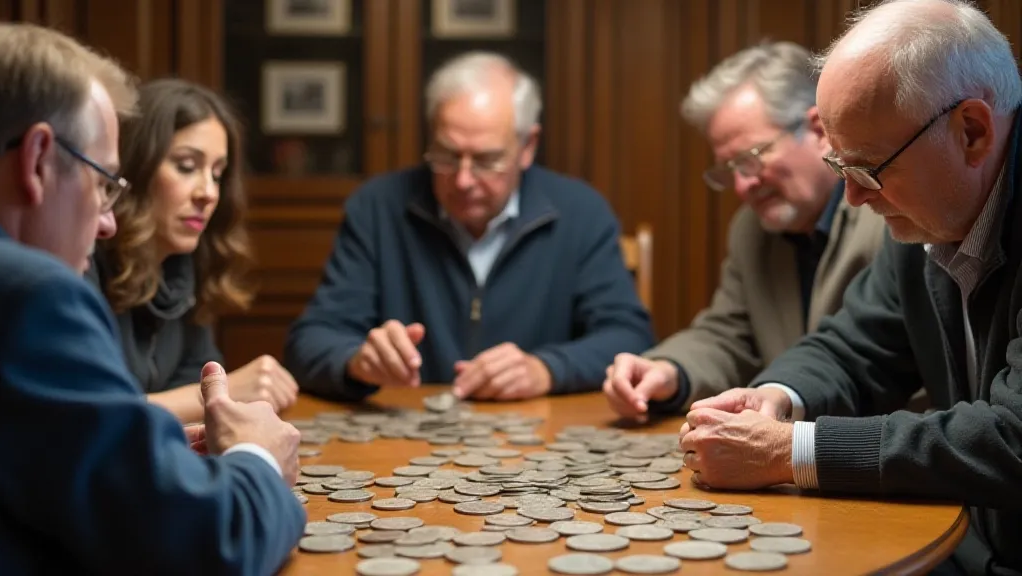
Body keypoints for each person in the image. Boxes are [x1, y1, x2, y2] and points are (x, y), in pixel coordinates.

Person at [678, 1, 1022, 573]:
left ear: (973, 130)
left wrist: (794, 451)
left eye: (866, 169)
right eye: (843, 170)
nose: (855, 198)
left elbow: (1013, 439)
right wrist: (778, 398)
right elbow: (855, 345)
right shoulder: (928, 212)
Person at [0, 23, 304, 573]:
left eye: (218, 172)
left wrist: (145, 451)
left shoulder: (180, 275)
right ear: (39, 159)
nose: (108, 223)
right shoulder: (33, 294)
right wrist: (257, 455)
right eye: (103, 184)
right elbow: (211, 543)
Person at [285, 51, 654, 402]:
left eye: (486, 160)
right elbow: (310, 341)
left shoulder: (582, 212)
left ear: (528, 146)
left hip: (538, 438)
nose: (463, 180)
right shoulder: (376, 207)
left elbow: (630, 338)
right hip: (403, 435)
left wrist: (546, 369)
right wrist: (356, 361)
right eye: (446, 155)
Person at [603, 41, 886, 421]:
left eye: (750, 159)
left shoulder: (891, 217)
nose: (741, 186)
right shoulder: (752, 230)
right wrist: (669, 370)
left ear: (819, 130)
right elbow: (730, 335)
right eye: (727, 169)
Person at [86, 78, 298, 424]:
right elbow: (83, 417)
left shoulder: (186, 264)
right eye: (187, 166)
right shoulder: (82, 259)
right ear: (135, 169)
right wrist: (219, 393)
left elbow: (192, 396)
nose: (208, 193)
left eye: (217, 173)